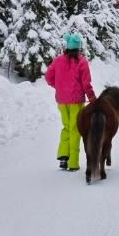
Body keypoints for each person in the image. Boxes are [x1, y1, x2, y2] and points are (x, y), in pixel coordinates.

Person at [44, 33, 96, 173]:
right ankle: (73, 163)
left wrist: (59, 87)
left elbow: (48, 77)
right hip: (76, 102)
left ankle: (63, 157)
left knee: (66, 127)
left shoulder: (58, 60)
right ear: (78, 48)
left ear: (67, 47)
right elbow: (86, 83)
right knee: (75, 129)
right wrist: (92, 98)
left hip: (61, 101)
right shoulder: (82, 62)